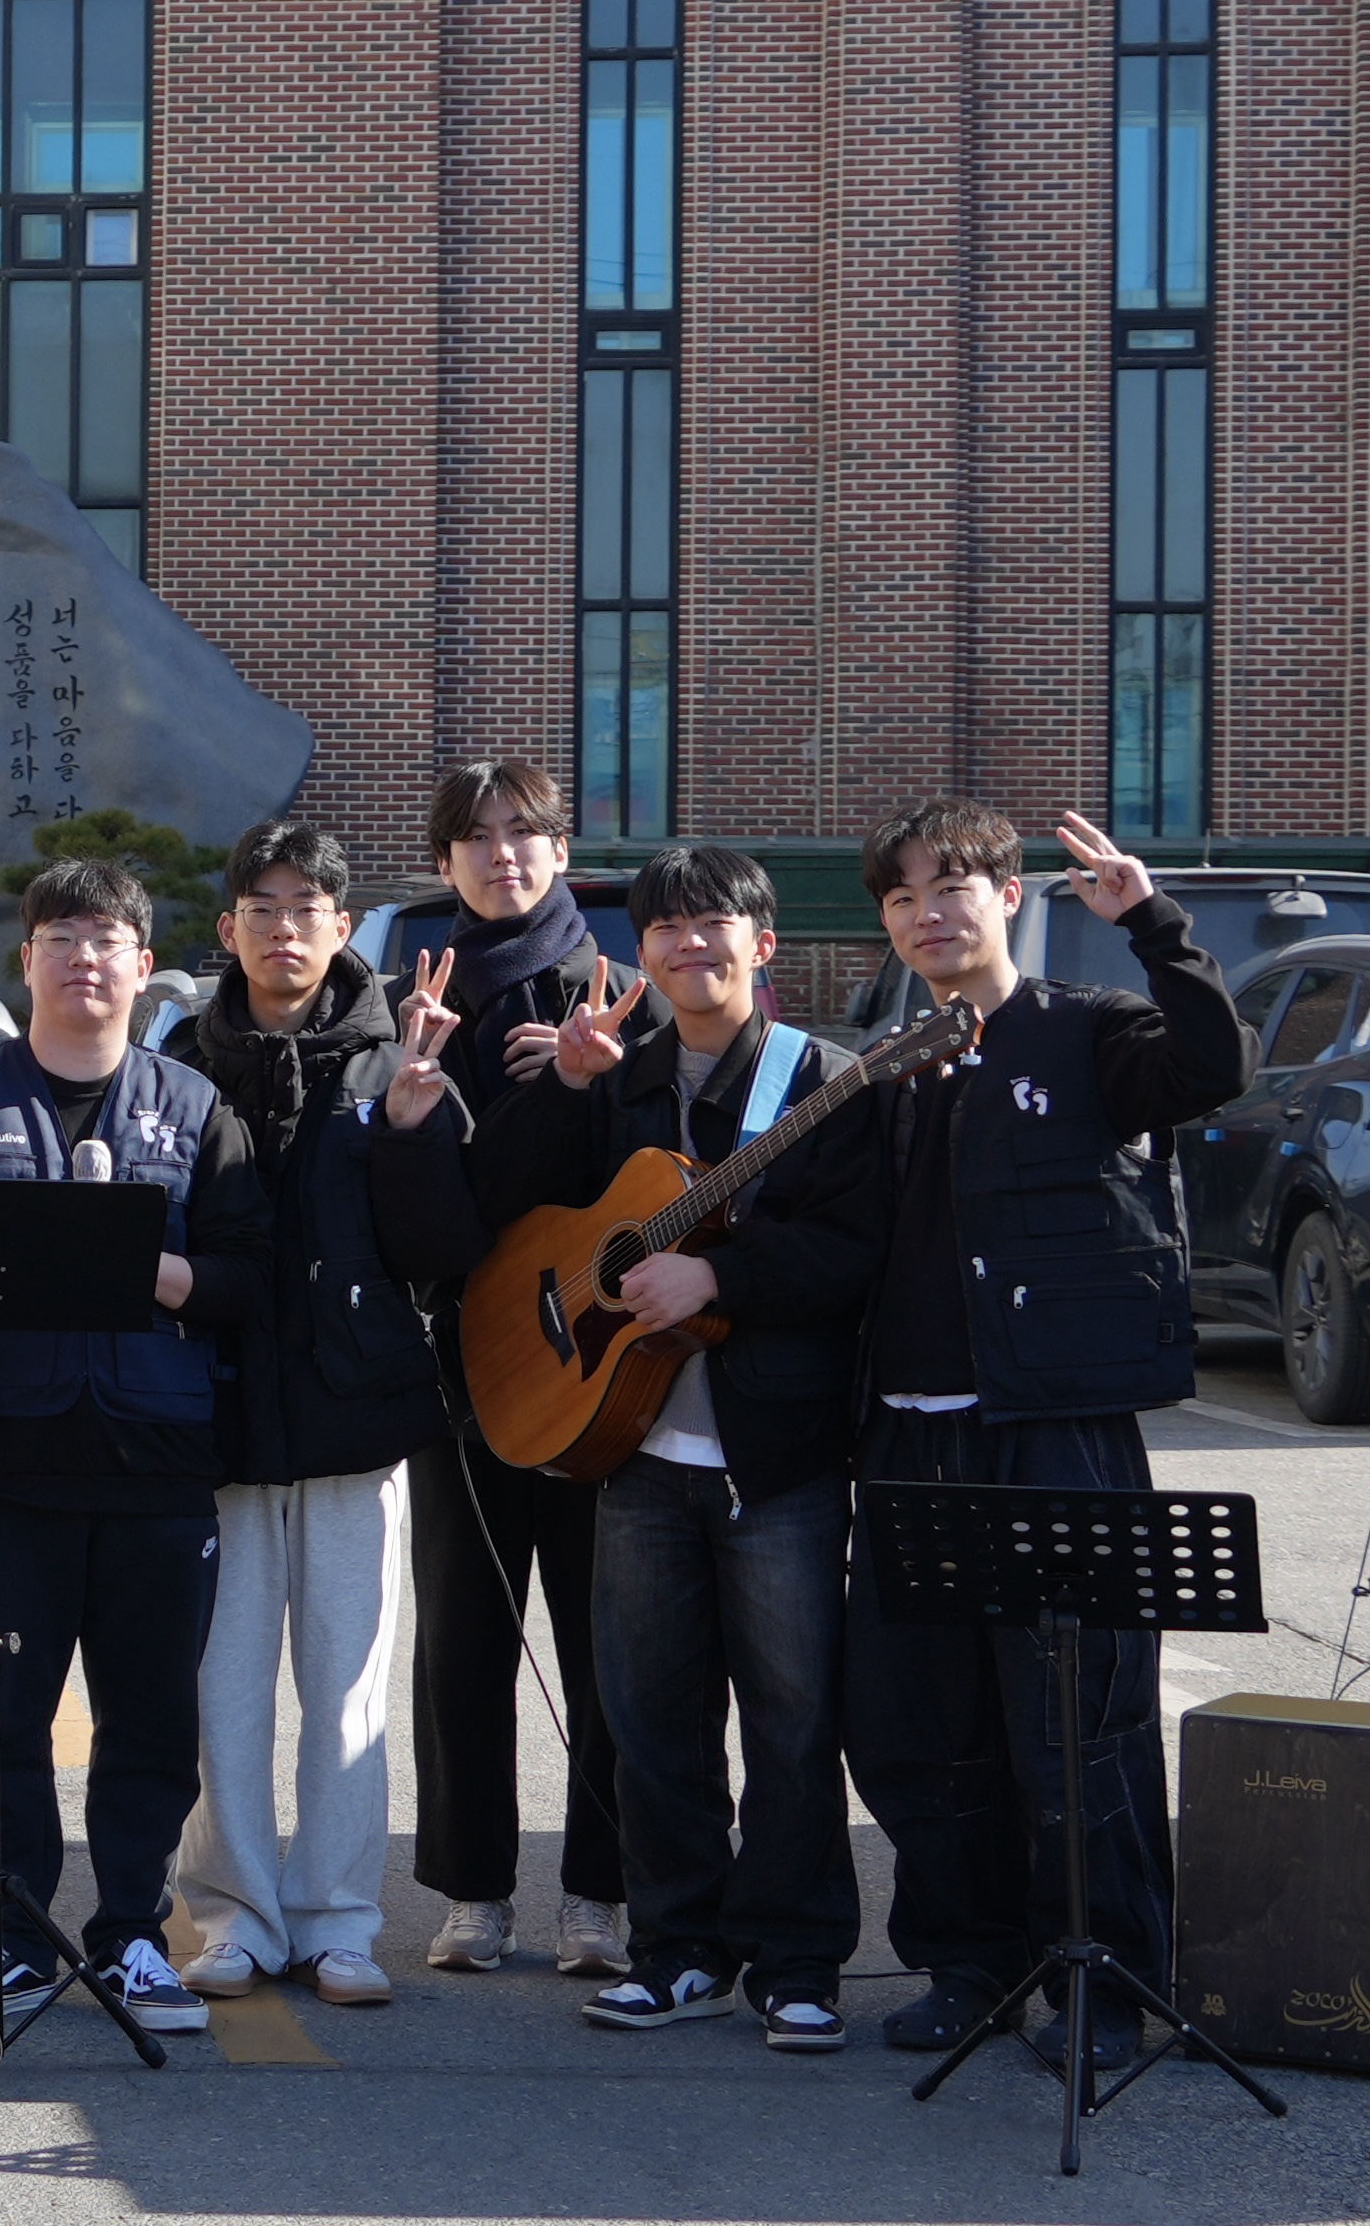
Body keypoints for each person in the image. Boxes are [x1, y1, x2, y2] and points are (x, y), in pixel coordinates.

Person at [840, 801, 1250, 2073]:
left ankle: (1106, 1986)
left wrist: (1155, 928)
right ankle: (971, 1968)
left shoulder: (1089, 1031)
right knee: (922, 1723)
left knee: (1081, 1721)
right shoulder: (888, 1061)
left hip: (1053, 1435)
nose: (929, 911)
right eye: (903, 896)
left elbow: (1212, 1067)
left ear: (1011, 897)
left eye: (953, 885)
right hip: (908, 1445)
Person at [469, 844, 884, 2051]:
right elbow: (511, 1223)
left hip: (777, 1461)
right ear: (637, 950)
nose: (689, 946)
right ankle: (678, 1949)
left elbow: (857, 1251)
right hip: (635, 1451)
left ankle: (799, 1960)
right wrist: (558, 1091)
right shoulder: (612, 1075)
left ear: (764, 942)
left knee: (795, 1725)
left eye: (715, 926)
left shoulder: (830, 1081)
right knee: (651, 1720)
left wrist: (724, 1272)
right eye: (665, 929)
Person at [0, 857, 270, 2037]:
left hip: (157, 1468)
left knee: (150, 1721)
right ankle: (11, 1940)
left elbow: (246, 1278)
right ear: (27, 963)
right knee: (5, 1722)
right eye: (59, 938)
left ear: (143, 961)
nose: (83, 958)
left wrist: (157, 1273)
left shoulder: (192, 1105)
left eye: (107, 937)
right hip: (7, 1466)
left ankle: (129, 1939)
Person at [156, 821, 476, 2012]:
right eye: (262, 905)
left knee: (347, 1692)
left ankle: (342, 1919)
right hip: (220, 1417)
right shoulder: (181, 1056)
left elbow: (444, 1250)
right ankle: (231, 1915)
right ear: (228, 926)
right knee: (223, 1688)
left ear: (345, 929)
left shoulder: (401, 1049)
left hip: (355, 1420)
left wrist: (414, 1128)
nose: (283, 927)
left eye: (308, 907)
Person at [384, 758, 649, 1980]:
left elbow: (645, 1180)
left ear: (562, 851)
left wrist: (586, 1083)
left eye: (525, 832)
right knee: (464, 1638)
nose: (503, 855)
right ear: (444, 865)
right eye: (476, 838)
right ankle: (475, 1890)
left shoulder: (622, 985)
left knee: (607, 1638)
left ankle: (599, 1892)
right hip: (459, 1364)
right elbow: (435, 1211)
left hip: (597, 1359)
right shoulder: (413, 996)